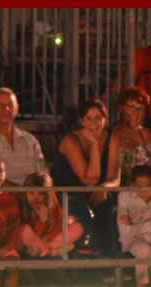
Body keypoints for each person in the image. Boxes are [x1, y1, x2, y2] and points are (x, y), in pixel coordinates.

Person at [50, 99, 116, 257]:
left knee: (113, 208)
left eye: (98, 118)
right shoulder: (70, 140)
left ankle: (111, 263)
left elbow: (114, 177)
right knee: (84, 212)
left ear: (106, 119)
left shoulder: (112, 138)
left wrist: (104, 188)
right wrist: (93, 144)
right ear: (81, 121)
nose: (94, 123)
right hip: (67, 195)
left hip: (96, 193)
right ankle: (84, 258)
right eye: (88, 118)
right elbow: (90, 179)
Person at [0, 89, 45, 185]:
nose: (6, 109)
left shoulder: (30, 140)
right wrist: (24, 194)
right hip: (2, 197)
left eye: (10, 104)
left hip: (35, 196)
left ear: (17, 109)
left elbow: (44, 175)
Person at [107, 88, 151, 184]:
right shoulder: (112, 133)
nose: (136, 113)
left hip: (150, 187)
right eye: (130, 107)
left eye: (140, 108)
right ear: (121, 108)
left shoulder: (147, 134)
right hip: (125, 187)